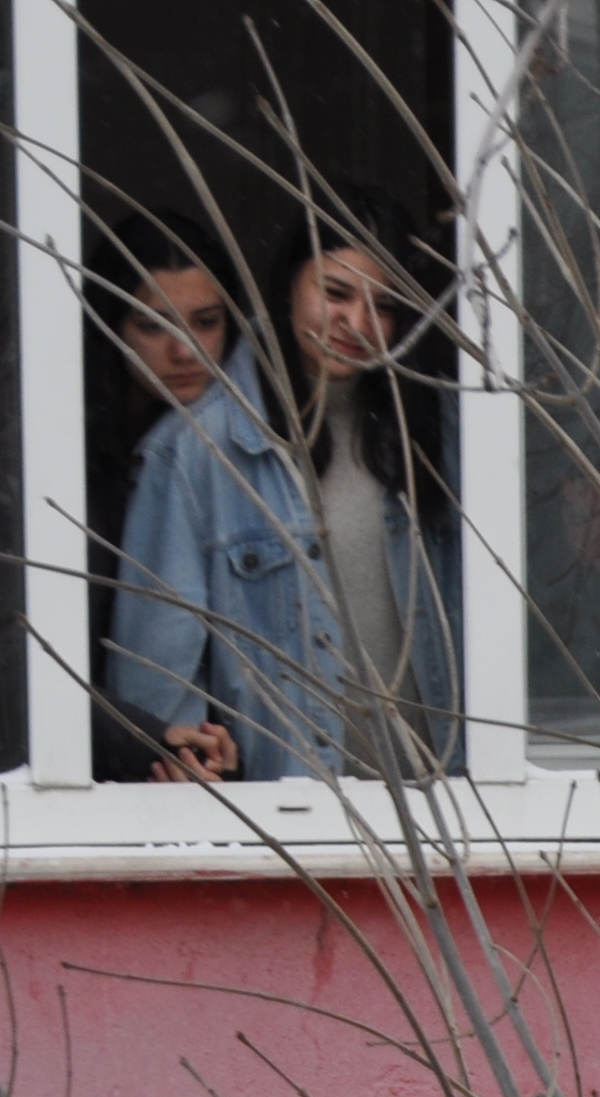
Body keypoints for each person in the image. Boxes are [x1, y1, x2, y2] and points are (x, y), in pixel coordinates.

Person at [104, 216, 462, 784]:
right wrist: (183, 773)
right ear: (289, 287)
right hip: (297, 817)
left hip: (449, 806)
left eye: (384, 305)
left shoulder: (452, 435)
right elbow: (158, 686)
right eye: (336, 292)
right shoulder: (196, 449)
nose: (356, 322)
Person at [84, 213, 253, 781]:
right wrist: (144, 740)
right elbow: (18, 673)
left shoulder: (245, 449)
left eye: (205, 322)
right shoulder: (61, 463)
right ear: (109, 327)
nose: (185, 351)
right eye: (154, 326)